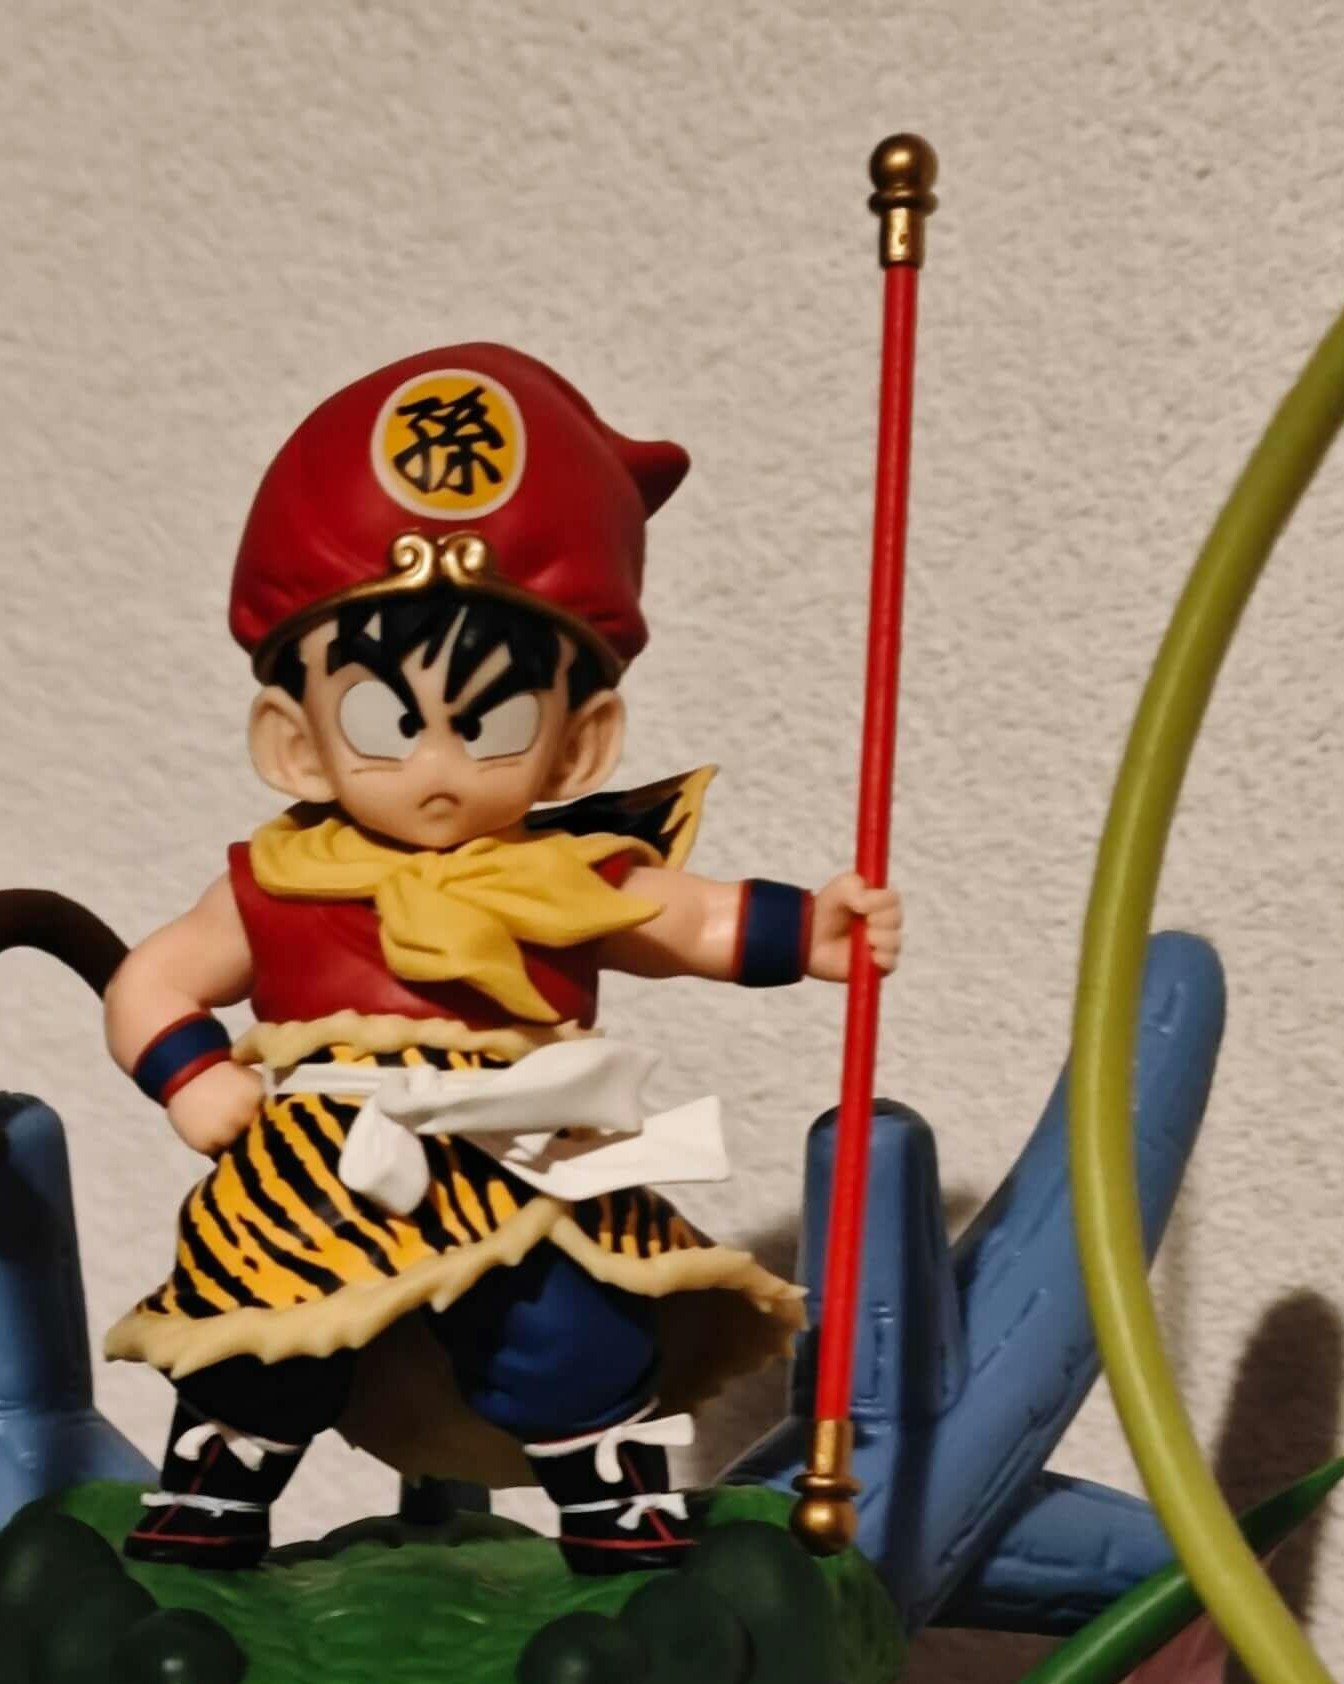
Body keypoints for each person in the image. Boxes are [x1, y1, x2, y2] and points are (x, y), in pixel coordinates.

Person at [99, 345, 901, 1573]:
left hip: (514, 1160)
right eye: (385, 722)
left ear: (578, 747)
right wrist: (193, 1074)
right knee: (264, 1325)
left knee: (568, 1325)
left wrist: (811, 932)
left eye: (492, 724)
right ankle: (217, 1488)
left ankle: (608, 1497)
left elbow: (689, 919)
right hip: (319, 1164)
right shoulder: (273, 881)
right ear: (294, 743)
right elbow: (150, 981)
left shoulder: (561, 878)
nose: (437, 766)